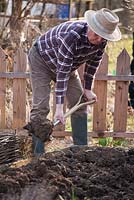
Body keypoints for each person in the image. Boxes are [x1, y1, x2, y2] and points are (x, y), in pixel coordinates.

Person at [24, 8, 121, 156]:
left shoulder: (101, 42)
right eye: (97, 35)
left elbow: (93, 64)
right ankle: (38, 156)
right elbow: (62, 73)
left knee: (78, 102)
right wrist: (59, 109)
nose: (100, 40)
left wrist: (87, 89)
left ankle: (81, 151)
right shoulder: (72, 36)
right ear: (90, 27)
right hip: (42, 60)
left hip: (66, 66)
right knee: (41, 107)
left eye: (103, 37)